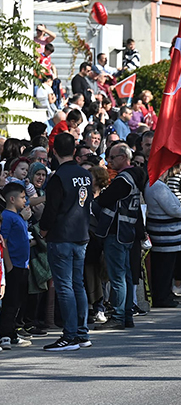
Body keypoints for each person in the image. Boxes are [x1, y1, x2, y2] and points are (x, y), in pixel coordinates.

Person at [40, 132, 94, 351]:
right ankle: (81, 333)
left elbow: (51, 209)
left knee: (65, 287)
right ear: (74, 151)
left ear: (54, 151)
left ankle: (70, 335)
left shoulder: (58, 177)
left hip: (61, 236)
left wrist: (43, 230)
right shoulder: (85, 174)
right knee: (77, 284)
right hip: (81, 234)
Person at [93, 143, 147, 330]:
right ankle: (126, 315)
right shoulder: (135, 177)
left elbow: (105, 201)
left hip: (116, 231)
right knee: (125, 274)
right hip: (127, 231)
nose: (109, 161)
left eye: (113, 157)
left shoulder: (123, 179)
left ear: (124, 158)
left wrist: (97, 201)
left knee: (118, 276)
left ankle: (118, 315)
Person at [146, 166, 181, 308]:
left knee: (164, 269)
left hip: (164, 235)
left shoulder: (154, 185)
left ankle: (164, 294)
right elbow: (172, 209)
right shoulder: (157, 186)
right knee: (164, 270)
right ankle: (162, 297)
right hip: (165, 236)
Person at [0, 183, 34, 349]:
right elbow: (3, 241)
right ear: (12, 199)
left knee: (19, 301)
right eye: (22, 197)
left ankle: (12, 332)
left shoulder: (19, 217)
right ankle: (5, 334)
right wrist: (9, 265)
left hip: (23, 265)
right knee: (11, 302)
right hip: (13, 265)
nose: (25, 200)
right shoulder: (6, 217)